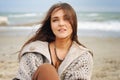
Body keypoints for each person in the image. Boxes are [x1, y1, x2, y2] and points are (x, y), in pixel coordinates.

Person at [13, 2, 93, 80]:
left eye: (66, 19)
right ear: (50, 25)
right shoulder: (34, 51)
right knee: (46, 70)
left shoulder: (83, 56)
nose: (61, 23)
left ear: (74, 22)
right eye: (55, 20)